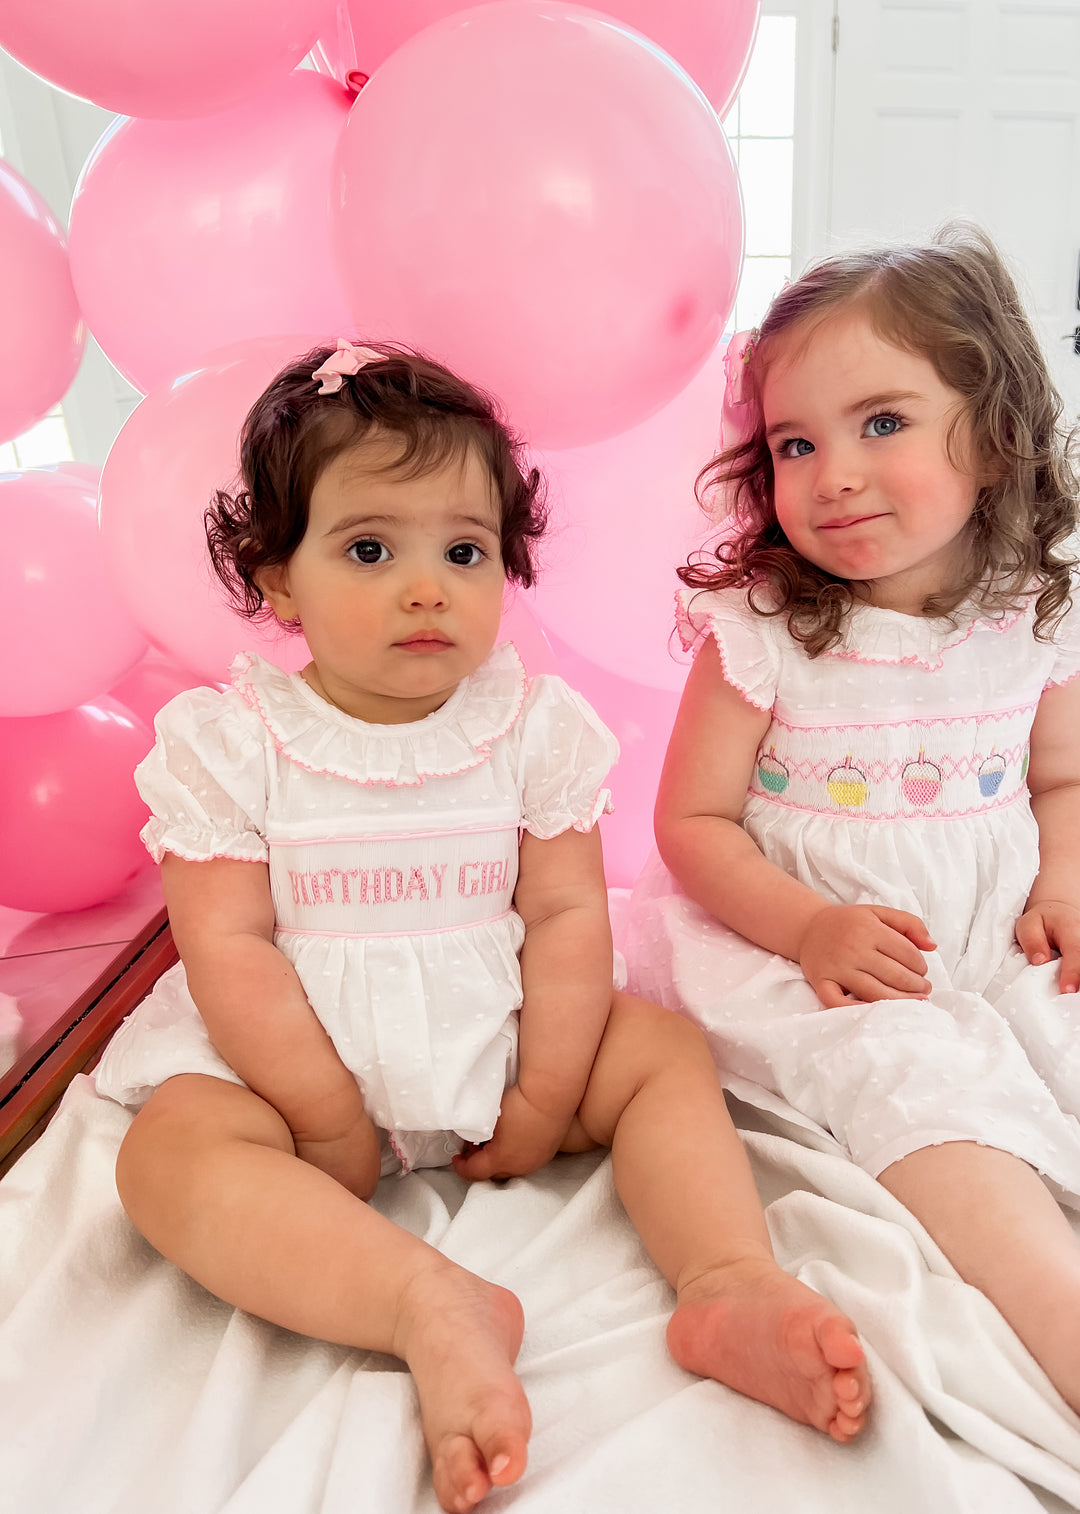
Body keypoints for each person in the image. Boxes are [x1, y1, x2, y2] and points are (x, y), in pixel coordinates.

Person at [94, 341, 869, 1514]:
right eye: (369, 548)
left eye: (464, 551)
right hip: (295, 1069)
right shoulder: (232, 740)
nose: (428, 587)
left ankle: (727, 1278)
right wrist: (320, 1111)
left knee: (658, 1049)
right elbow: (230, 948)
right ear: (279, 575)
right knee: (168, 1152)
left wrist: (551, 1089)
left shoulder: (527, 725)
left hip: (496, 1038)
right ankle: (426, 1299)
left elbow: (563, 912)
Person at [626, 224, 1080, 1415]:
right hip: (821, 951)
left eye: (882, 422)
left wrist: (1067, 880)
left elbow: (1064, 779)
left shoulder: (1035, 603)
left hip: (995, 925)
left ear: (991, 433)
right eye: (795, 442)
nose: (831, 472)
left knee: (1061, 1033)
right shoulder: (766, 625)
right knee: (922, 1085)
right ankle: (1058, 1305)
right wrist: (813, 927)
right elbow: (693, 821)